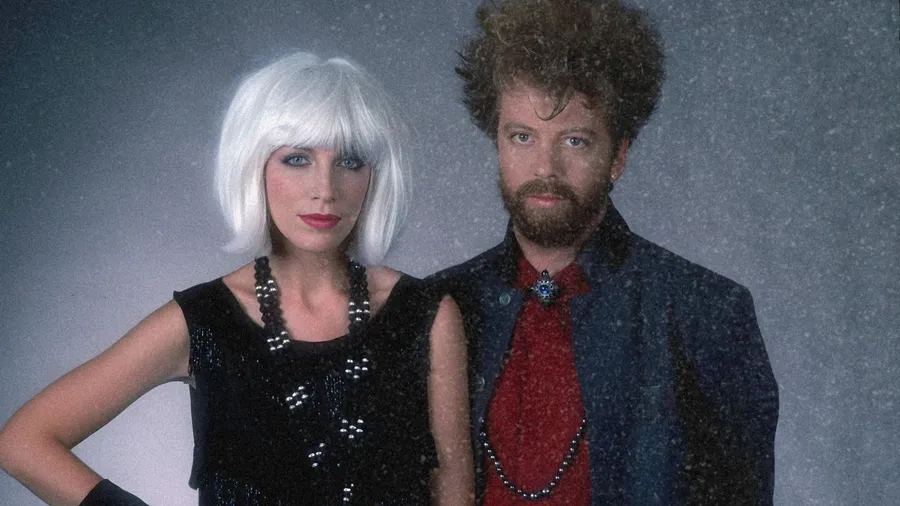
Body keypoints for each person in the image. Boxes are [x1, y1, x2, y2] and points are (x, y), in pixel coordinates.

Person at [0, 52, 473, 505]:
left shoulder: (424, 316)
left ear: (376, 176)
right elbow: (24, 443)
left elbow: (454, 492)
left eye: (350, 161)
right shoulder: (207, 322)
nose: (325, 189)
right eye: (297, 159)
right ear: (254, 166)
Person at [429, 0, 779, 504]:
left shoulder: (706, 314)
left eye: (574, 141)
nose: (545, 167)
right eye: (523, 137)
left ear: (618, 155)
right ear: (498, 144)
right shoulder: (438, 307)